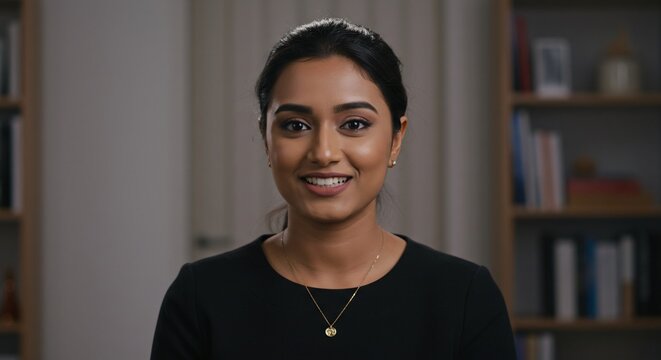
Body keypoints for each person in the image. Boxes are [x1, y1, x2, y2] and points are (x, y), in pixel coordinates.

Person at [151, 18, 515, 359]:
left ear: (395, 139)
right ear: (266, 141)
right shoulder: (200, 297)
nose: (323, 153)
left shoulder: (465, 296)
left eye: (354, 123)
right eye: (295, 126)